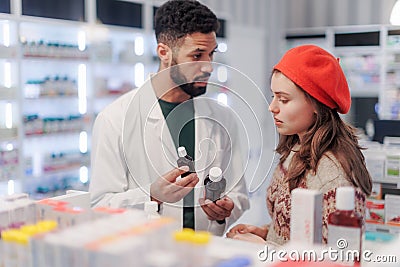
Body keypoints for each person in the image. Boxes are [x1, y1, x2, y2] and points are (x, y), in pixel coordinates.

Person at [89, 0, 249, 236]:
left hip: (206, 250)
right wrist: (151, 195)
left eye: (211, 53)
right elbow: (100, 205)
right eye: (197, 55)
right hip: (145, 252)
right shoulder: (115, 119)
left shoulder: (223, 119)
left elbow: (239, 192)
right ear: (164, 52)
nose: (209, 66)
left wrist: (228, 207)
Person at [226, 45, 372, 245]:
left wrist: (264, 247)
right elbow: (299, 228)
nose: (272, 107)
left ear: (315, 104)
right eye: (273, 96)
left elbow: (334, 256)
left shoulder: (334, 174)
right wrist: (265, 232)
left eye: (283, 100)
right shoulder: (295, 148)